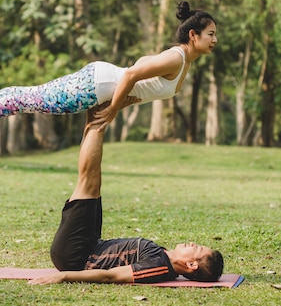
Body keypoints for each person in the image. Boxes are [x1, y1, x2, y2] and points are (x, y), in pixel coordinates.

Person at [0, 1, 217, 140]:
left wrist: (123, 100)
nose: (214, 40)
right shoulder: (177, 58)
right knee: (26, 101)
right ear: (193, 35)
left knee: (28, 96)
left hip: (99, 83)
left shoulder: (181, 61)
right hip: (95, 86)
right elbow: (132, 74)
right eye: (210, 34)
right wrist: (112, 111)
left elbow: (138, 75)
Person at [28, 104, 224, 285]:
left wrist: (64, 276)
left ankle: (100, 116)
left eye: (196, 248)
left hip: (76, 255)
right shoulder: (164, 257)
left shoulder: (159, 268)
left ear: (192, 265)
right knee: (92, 184)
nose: (192, 243)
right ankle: (96, 112)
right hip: (91, 244)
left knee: (87, 183)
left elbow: (110, 276)